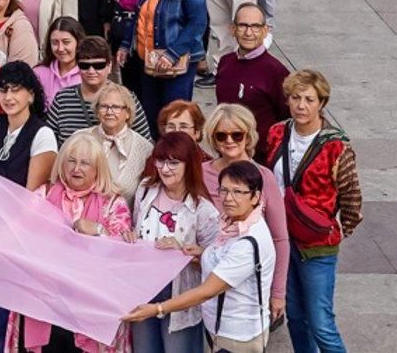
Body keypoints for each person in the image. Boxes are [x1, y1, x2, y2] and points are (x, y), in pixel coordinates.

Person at [122, 160, 276, 353]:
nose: (228, 198)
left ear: (255, 197)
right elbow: (221, 261)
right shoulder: (231, 225)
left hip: (238, 338)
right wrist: (199, 253)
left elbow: (207, 291)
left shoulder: (248, 242)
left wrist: (157, 309)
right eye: (224, 191)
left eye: (238, 192)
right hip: (219, 330)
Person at [265, 70, 362, 353]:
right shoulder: (277, 132)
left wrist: (335, 228)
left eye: (309, 99)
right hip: (282, 237)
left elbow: (351, 195)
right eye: (296, 98)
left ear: (322, 102)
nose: (302, 105)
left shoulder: (336, 145)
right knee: (295, 316)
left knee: (321, 321)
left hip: (317, 244)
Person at [10, 133, 132, 352]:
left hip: (89, 305)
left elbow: (123, 252)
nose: (77, 169)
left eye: (85, 163)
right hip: (45, 302)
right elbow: (19, 233)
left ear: (98, 168)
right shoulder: (44, 195)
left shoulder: (113, 202)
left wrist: (97, 230)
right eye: (71, 161)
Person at [0, 61, 57, 353]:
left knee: (19, 328)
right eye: (3, 89)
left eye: (16, 90)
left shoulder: (42, 134)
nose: (9, 97)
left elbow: (30, 195)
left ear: (31, 95)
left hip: (21, 239)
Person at [126, 131, 220, 353]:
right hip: (143, 288)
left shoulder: (204, 210)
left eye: (174, 162)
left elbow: (214, 265)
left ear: (189, 164)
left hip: (179, 295)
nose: (165, 168)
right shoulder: (146, 189)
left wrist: (183, 251)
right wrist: (130, 235)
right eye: (161, 161)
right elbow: (135, 227)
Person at [201, 101, 291, 324]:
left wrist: (278, 293)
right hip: (206, 274)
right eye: (221, 136)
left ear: (248, 136)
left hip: (249, 281)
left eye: (237, 135)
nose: (229, 141)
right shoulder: (201, 174)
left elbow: (280, 237)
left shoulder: (263, 177)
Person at [118, 0, 206, 132]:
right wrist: (125, 44)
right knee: (150, 117)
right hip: (148, 59)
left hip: (176, 64)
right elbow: (139, 12)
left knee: (174, 118)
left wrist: (172, 53)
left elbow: (198, 24)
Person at [215, 3, 289, 159]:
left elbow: (287, 118)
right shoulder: (225, 63)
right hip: (227, 152)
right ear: (232, 29)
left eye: (255, 26)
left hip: (261, 159)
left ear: (265, 31)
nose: (248, 33)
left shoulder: (276, 71)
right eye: (243, 25)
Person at [48, 36, 151, 143]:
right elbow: (49, 142)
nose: (91, 71)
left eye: (98, 65)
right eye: (84, 65)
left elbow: (144, 142)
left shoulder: (127, 97)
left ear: (109, 66)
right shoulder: (62, 99)